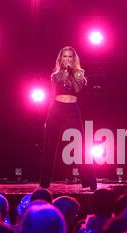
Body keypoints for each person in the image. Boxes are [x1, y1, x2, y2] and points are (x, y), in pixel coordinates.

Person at [39, 46, 96, 190]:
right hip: (56, 110)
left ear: (74, 58)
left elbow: (77, 89)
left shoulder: (79, 74)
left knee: (80, 146)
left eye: (70, 56)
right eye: (65, 56)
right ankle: (44, 183)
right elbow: (51, 96)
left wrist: (71, 72)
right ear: (60, 59)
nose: (67, 59)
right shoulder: (55, 76)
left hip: (72, 110)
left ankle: (89, 181)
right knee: (49, 146)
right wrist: (47, 118)